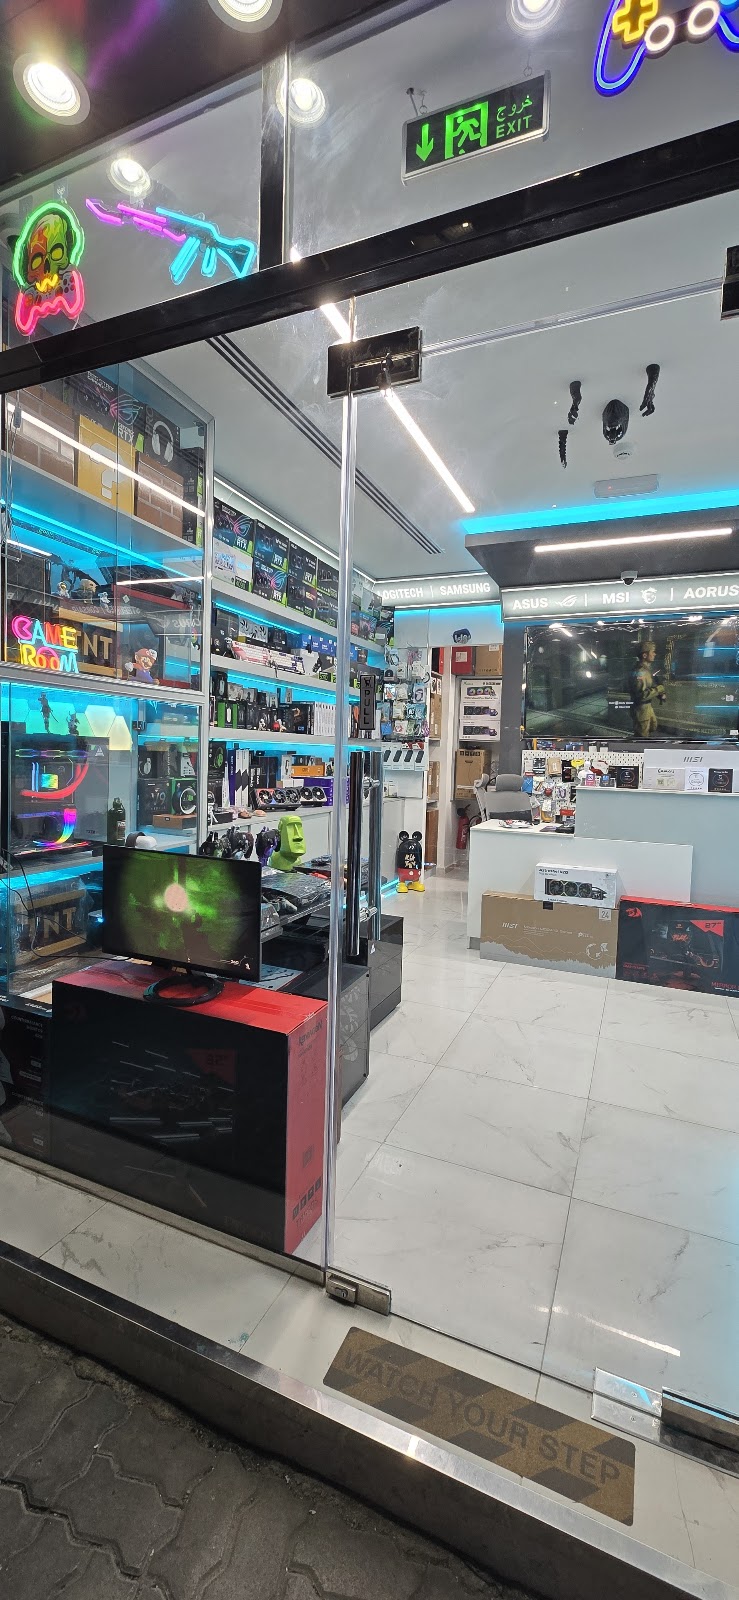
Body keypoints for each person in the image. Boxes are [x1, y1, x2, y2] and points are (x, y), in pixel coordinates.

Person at [629, 641, 665, 736]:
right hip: (641, 709)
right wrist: (659, 689)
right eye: (652, 652)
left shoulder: (646, 669)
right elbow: (642, 695)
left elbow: (648, 686)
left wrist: (658, 694)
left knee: (653, 726)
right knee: (642, 736)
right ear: (644, 655)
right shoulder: (640, 672)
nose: (654, 654)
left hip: (647, 707)